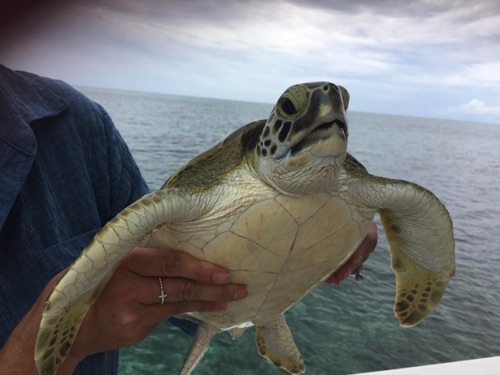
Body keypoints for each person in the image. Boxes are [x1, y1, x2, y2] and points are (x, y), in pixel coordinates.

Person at [0, 65, 377, 374]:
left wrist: (330, 217)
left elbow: (172, 271)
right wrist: (57, 347)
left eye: (340, 102)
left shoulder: (76, 123)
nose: (331, 107)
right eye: (293, 107)